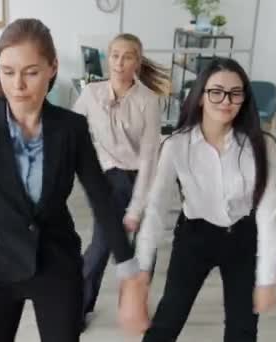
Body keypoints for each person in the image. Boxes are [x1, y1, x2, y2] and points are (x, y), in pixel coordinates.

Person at [0, 18, 149, 342]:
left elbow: (101, 199)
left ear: (52, 68)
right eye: (8, 72)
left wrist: (129, 273)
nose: (18, 85)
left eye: (31, 72)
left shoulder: (71, 128)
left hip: (56, 263)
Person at [136, 57, 276, 342]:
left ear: (244, 98)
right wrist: (143, 270)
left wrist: (267, 279)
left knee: (243, 327)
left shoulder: (261, 146)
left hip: (242, 236)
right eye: (216, 91)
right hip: (195, 237)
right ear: (201, 96)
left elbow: (270, 215)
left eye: (235, 92)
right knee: (169, 318)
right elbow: (155, 211)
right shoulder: (176, 145)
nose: (225, 100)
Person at [72, 33, 166, 329]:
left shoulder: (149, 101)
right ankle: (79, 306)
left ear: (137, 61)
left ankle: (134, 305)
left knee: (145, 248)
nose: (119, 62)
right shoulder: (91, 94)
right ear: (107, 58)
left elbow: (150, 156)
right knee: (102, 244)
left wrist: (137, 208)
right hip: (105, 179)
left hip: (141, 177)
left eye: (127, 56)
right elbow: (71, 132)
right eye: (114, 55)